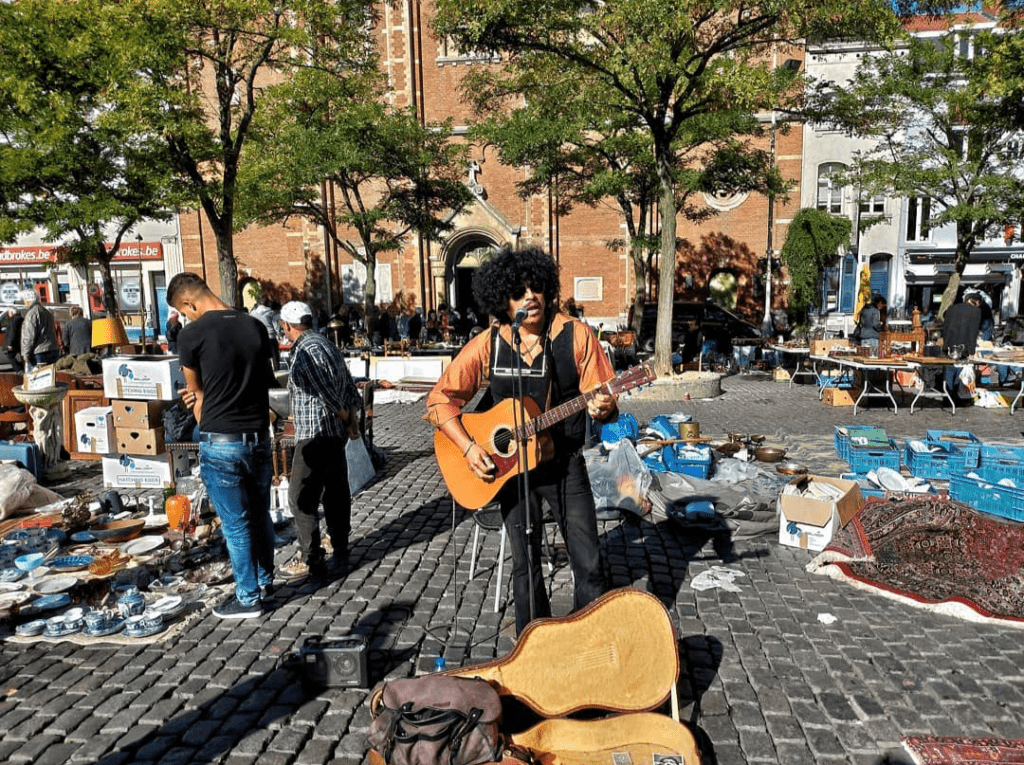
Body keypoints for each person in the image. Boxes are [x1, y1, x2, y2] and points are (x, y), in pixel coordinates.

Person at [425, 245, 617, 635]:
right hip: (511, 471)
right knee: (524, 566)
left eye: (536, 288)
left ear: (548, 290)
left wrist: (604, 408)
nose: (530, 296)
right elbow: (439, 400)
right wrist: (469, 446)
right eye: (518, 291)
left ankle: (590, 640)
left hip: (564, 465)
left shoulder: (575, 337)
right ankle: (533, 646)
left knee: (589, 561)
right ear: (504, 301)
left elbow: (605, 398)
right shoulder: (490, 342)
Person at [168, 272, 277, 620]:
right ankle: (265, 581)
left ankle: (247, 598)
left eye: (184, 312)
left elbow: (197, 395)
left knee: (235, 524)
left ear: (189, 303)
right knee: (260, 515)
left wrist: (197, 407)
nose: (186, 317)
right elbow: (264, 384)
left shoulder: (192, 334)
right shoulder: (255, 326)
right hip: (259, 436)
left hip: (222, 440)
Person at [277, 301, 363, 584]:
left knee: (301, 498)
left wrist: (345, 416)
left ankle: (310, 556)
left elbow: (326, 390)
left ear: (288, 326)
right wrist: (350, 416)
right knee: (336, 492)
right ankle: (340, 547)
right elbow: (350, 386)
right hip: (333, 432)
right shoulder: (326, 343)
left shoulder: (303, 350)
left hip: (315, 434)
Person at [942, 291, 983, 404]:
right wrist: (972, 350)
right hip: (963, 346)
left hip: (949, 345)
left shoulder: (951, 308)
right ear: (977, 302)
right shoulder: (976, 311)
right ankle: (956, 397)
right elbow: (972, 332)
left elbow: (945, 328)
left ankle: (947, 397)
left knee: (949, 370)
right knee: (960, 372)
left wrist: (945, 344)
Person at [20, 290, 60, 370]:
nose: (24, 302)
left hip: (39, 351)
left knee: (39, 378)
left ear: (29, 301)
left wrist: (26, 355)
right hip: (52, 348)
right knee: (52, 376)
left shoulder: (31, 314)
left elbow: (29, 336)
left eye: (25, 300)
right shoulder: (46, 311)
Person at [3, 308, 24, 372]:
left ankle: (18, 369)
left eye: (9, 312)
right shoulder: (21, 319)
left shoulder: (13, 320)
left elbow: (12, 332)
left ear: (12, 312)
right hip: (20, 341)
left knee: (10, 356)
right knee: (23, 356)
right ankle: (23, 368)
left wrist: (9, 343)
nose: (8, 313)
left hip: (14, 342)